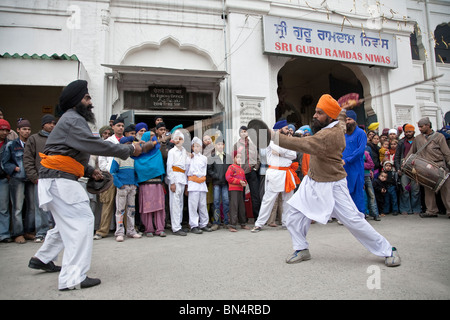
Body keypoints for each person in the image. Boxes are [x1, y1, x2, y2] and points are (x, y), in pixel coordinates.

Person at [27, 79, 142, 290]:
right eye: (87, 98)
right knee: (83, 221)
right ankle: (73, 278)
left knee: (67, 223)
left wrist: (90, 171)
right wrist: (128, 150)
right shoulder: (73, 120)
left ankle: (42, 259)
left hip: (56, 178)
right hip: (59, 179)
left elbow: (71, 151)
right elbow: (93, 145)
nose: (91, 102)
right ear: (75, 101)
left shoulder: (72, 120)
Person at [268, 94, 400, 267]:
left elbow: (302, 144)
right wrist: (343, 108)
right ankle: (301, 248)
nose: (315, 116)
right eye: (315, 112)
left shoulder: (330, 134)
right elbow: (341, 117)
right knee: (292, 214)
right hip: (312, 180)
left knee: (353, 221)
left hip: (332, 184)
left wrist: (270, 135)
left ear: (329, 117)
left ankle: (388, 250)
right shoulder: (337, 124)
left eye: (319, 113)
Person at [251, 120, 298, 233]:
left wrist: (283, 153)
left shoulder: (288, 140)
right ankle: (259, 224)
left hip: (287, 173)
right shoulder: (271, 141)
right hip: (275, 173)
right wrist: (285, 152)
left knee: (288, 200)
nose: (288, 130)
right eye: (286, 128)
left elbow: (294, 155)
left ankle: (286, 222)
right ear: (279, 129)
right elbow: (281, 150)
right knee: (268, 199)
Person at [405, 117, 450, 218]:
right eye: (419, 127)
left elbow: (446, 153)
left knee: (446, 189)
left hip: (439, 166)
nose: (419, 129)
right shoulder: (418, 138)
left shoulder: (439, 137)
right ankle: (431, 211)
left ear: (428, 125)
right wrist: (405, 162)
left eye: (421, 127)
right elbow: (412, 152)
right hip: (424, 168)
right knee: (428, 190)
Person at [23, 114, 57, 242]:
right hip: (40, 178)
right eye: (49, 123)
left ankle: (55, 231)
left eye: (54, 123)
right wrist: (34, 177)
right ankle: (41, 232)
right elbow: (27, 160)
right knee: (41, 206)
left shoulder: (57, 138)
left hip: (56, 178)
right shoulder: (34, 139)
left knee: (56, 206)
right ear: (43, 124)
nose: (52, 126)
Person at [1, 118, 34, 244]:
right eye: (24, 129)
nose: (27, 132)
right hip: (17, 179)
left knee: (32, 207)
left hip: (31, 178)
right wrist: (13, 168)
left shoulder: (31, 144)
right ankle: (17, 233)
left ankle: (29, 231)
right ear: (18, 130)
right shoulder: (11, 145)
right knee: (18, 207)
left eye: (29, 129)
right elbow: (5, 162)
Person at [94, 117, 126, 240]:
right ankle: (102, 231)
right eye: (118, 125)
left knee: (125, 205)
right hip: (110, 177)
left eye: (122, 126)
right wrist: (109, 171)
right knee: (107, 204)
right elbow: (102, 162)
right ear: (113, 127)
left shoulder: (127, 141)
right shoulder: (107, 142)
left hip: (123, 177)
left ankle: (128, 229)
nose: (121, 128)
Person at [134, 130, 166, 237]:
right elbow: (139, 168)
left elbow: (159, 166)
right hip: (145, 184)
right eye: (151, 136)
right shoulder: (138, 154)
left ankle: (160, 228)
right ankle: (149, 229)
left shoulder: (157, 152)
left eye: (154, 136)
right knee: (147, 207)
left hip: (157, 183)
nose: (153, 138)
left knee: (159, 207)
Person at [110, 136, 142, 242]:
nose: (129, 146)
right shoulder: (117, 158)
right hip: (122, 187)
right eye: (127, 144)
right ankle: (119, 232)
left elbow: (136, 173)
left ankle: (131, 231)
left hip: (132, 187)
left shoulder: (133, 158)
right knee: (120, 210)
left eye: (130, 144)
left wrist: (135, 184)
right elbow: (112, 172)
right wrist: (119, 185)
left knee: (131, 210)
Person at [233, 126, 261, 221]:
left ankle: (257, 218)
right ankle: (243, 219)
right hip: (241, 174)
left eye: (246, 132)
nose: (244, 133)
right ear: (240, 133)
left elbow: (258, 159)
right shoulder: (236, 145)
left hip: (252, 173)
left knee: (255, 196)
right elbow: (234, 160)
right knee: (241, 197)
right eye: (242, 132)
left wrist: (255, 169)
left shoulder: (253, 145)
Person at [342, 110, 367, 214]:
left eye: (349, 119)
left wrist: (347, 160)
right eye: (346, 119)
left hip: (356, 168)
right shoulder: (343, 134)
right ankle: (348, 215)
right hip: (343, 168)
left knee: (357, 192)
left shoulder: (361, 133)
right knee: (345, 192)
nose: (347, 122)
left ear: (355, 120)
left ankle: (360, 214)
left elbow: (360, 151)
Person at [166, 130, 190, 236]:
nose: (179, 141)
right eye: (177, 139)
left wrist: (186, 183)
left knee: (180, 203)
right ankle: (175, 227)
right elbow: (169, 167)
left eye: (181, 139)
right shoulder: (172, 152)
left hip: (182, 177)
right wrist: (172, 182)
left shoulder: (185, 151)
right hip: (175, 177)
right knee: (174, 203)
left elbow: (186, 166)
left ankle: (179, 224)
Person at [394, 124, 421, 215]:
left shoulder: (417, 141)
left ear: (413, 132)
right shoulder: (401, 142)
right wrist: (398, 168)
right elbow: (397, 156)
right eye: (406, 132)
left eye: (410, 131)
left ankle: (416, 208)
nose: (408, 133)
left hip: (415, 168)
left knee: (415, 190)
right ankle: (405, 209)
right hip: (404, 169)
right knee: (405, 189)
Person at [187, 137, 211, 234]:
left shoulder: (204, 158)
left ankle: (204, 223)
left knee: (203, 205)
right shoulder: (189, 157)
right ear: (192, 147)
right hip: (193, 182)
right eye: (195, 146)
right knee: (193, 205)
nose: (196, 148)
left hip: (202, 183)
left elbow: (205, 171)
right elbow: (186, 171)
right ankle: (194, 225)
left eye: (198, 146)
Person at [207, 138, 231, 231]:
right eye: (218, 144)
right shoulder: (212, 157)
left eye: (222, 144)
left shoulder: (227, 157)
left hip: (225, 183)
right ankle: (216, 222)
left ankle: (226, 222)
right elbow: (209, 170)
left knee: (226, 202)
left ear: (224, 146)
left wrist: (227, 177)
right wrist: (216, 175)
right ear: (215, 146)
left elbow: (230, 169)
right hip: (216, 183)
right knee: (216, 202)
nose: (220, 146)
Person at [225, 151, 249, 232]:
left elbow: (244, 179)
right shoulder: (231, 167)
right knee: (234, 206)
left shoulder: (241, 169)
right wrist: (239, 182)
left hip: (240, 190)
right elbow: (228, 177)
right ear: (234, 158)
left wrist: (244, 183)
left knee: (241, 207)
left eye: (240, 158)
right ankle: (232, 225)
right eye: (237, 157)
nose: (239, 159)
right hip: (233, 189)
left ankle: (243, 223)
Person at [0, 119, 12, 243]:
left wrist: (9, 172)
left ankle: (4, 234)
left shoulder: (9, 145)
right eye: (2, 129)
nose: (4, 132)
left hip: (3, 179)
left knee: (3, 208)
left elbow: (10, 162)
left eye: (6, 130)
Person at [363, 150, 380, 221]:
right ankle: (362, 213)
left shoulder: (365, 153)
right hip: (357, 176)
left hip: (366, 176)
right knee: (361, 196)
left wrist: (361, 164)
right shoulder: (353, 152)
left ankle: (375, 213)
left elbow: (371, 164)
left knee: (371, 195)